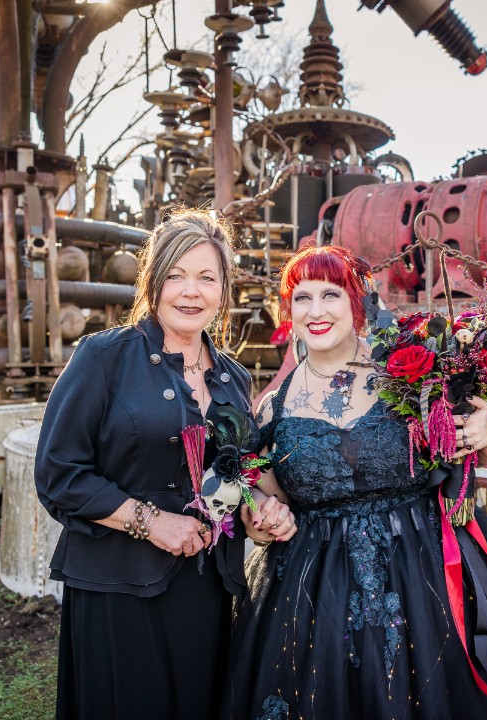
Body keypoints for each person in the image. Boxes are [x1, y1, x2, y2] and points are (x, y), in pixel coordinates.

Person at [225, 243, 487, 720]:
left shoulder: (412, 370)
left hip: (426, 570)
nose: (316, 311)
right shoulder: (273, 407)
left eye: (331, 295)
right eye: (302, 298)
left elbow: (479, 443)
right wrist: (258, 512)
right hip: (317, 592)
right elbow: (265, 503)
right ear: (288, 310)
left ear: (356, 303)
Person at [34, 208, 296, 720]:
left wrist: (259, 507)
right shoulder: (103, 358)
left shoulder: (234, 380)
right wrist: (153, 523)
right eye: (175, 275)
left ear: (224, 290)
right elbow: (59, 474)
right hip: (117, 588)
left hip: (207, 590)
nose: (190, 291)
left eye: (205, 277)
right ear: (153, 283)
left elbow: (235, 473)